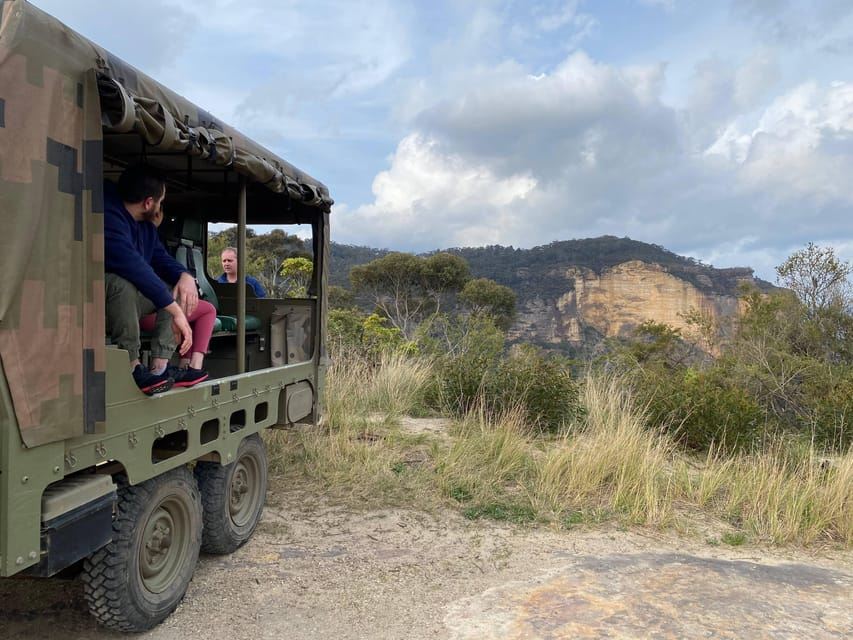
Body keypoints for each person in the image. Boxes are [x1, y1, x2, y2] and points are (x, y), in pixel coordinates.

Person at [104, 165, 197, 395]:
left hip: (128, 303)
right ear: (148, 203)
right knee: (122, 283)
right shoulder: (108, 217)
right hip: (97, 298)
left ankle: (159, 369)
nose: (160, 207)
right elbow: (133, 266)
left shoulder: (145, 227)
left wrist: (185, 276)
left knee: (172, 291)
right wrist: (176, 312)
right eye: (160, 201)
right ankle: (132, 366)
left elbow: (161, 258)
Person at [138, 207, 215, 387]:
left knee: (189, 306)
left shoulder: (145, 239)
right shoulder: (146, 238)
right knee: (207, 310)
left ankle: (185, 366)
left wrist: (184, 277)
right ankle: (192, 366)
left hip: (148, 310)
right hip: (147, 315)